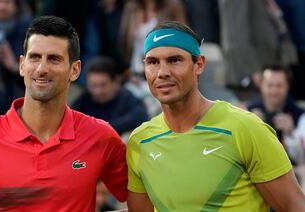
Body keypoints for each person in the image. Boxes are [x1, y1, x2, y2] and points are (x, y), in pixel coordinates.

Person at [0, 16, 127, 211]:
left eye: (54, 59)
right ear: (22, 65)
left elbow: (143, 204)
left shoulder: (100, 136)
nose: (42, 68)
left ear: (75, 70)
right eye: (35, 57)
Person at [126, 21, 305, 211]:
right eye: (153, 62)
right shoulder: (140, 141)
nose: (162, 73)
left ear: (199, 65)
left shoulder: (244, 128)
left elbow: (294, 207)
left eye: (174, 60)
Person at [72, 56, 149, 136]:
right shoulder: (84, 100)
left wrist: (103, 129)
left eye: (103, 85)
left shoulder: (126, 98)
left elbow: (140, 116)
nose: (98, 91)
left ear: (115, 82)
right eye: (93, 85)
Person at [247, 65, 304, 156]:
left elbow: (301, 158)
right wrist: (248, 127)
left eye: (279, 85)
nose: (274, 91)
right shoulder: (247, 112)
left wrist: (290, 133)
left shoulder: (300, 116)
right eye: (270, 85)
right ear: (261, 86)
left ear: (288, 86)